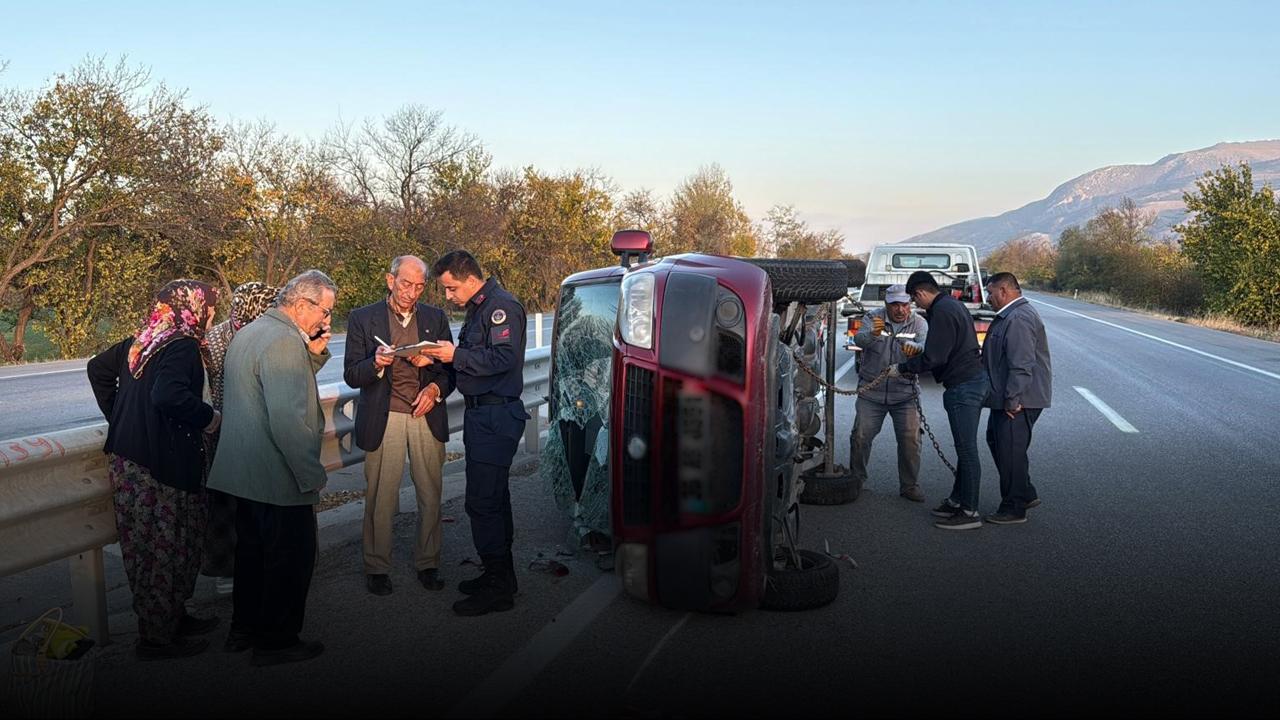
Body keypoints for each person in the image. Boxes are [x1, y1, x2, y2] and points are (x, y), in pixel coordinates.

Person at [86, 279, 222, 660]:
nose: (213, 315)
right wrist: (209, 418)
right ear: (193, 307)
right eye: (211, 307)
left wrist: (120, 416)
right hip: (161, 465)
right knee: (170, 544)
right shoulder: (181, 345)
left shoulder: (143, 341)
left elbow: (97, 369)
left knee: (149, 546)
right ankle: (157, 639)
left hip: (130, 462)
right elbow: (167, 394)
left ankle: (171, 619)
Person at [207, 270, 335, 666]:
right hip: (276, 475)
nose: (327, 320)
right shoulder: (283, 341)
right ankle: (277, 642)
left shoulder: (250, 332)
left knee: (252, 558)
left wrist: (312, 353)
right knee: (289, 561)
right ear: (302, 305)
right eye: (325, 311)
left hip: (244, 474)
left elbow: (269, 387)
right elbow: (288, 420)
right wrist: (310, 475)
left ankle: (243, 630)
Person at [422, 250, 529, 617]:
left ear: (469, 279)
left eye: (451, 288)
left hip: (496, 416)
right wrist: (437, 358)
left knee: (483, 502)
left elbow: (504, 359)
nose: (448, 296)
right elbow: (473, 358)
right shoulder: (479, 308)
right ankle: (501, 576)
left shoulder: (500, 307)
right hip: (483, 415)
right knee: (493, 499)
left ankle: (499, 587)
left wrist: (456, 356)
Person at [344, 256, 455, 595]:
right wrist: (376, 364)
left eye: (420, 286)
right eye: (406, 284)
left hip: (425, 414)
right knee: (381, 496)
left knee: (430, 494)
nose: (412, 292)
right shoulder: (362, 317)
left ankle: (428, 563)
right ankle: (377, 567)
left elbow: (450, 372)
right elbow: (351, 374)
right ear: (390, 280)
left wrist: (434, 389)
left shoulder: (436, 318)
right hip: (385, 416)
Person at [890, 270, 988, 531]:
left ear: (921, 293)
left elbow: (935, 356)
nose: (915, 304)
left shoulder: (942, 311)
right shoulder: (952, 305)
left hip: (964, 386)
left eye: (914, 299)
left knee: (967, 451)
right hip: (971, 380)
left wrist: (902, 368)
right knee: (964, 448)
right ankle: (957, 500)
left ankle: (969, 511)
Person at [200, 281, 279, 595]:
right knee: (228, 505)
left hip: (257, 429)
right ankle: (227, 572)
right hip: (226, 430)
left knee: (256, 504)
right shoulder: (216, 339)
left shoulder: (269, 334)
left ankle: (260, 568)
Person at [981, 272, 1052, 524]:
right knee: (997, 441)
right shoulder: (1010, 315)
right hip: (1010, 396)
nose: (988, 298)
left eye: (990, 292)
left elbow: (1021, 363)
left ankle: (1014, 507)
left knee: (1010, 450)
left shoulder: (1019, 317)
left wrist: (1013, 399)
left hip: (1020, 400)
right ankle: (1025, 492)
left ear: (1004, 291)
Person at [850, 284, 929, 502]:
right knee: (860, 437)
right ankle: (856, 480)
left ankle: (909, 486)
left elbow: (925, 345)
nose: (900, 309)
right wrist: (873, 334)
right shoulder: (872, 317)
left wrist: (917, 348)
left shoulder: (919, 322)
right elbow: (858, 340)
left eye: (904, 304)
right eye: (895, 305)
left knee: (911, 441)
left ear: (910, 304)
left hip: (905, 393)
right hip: (871, 392)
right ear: (886, 304)